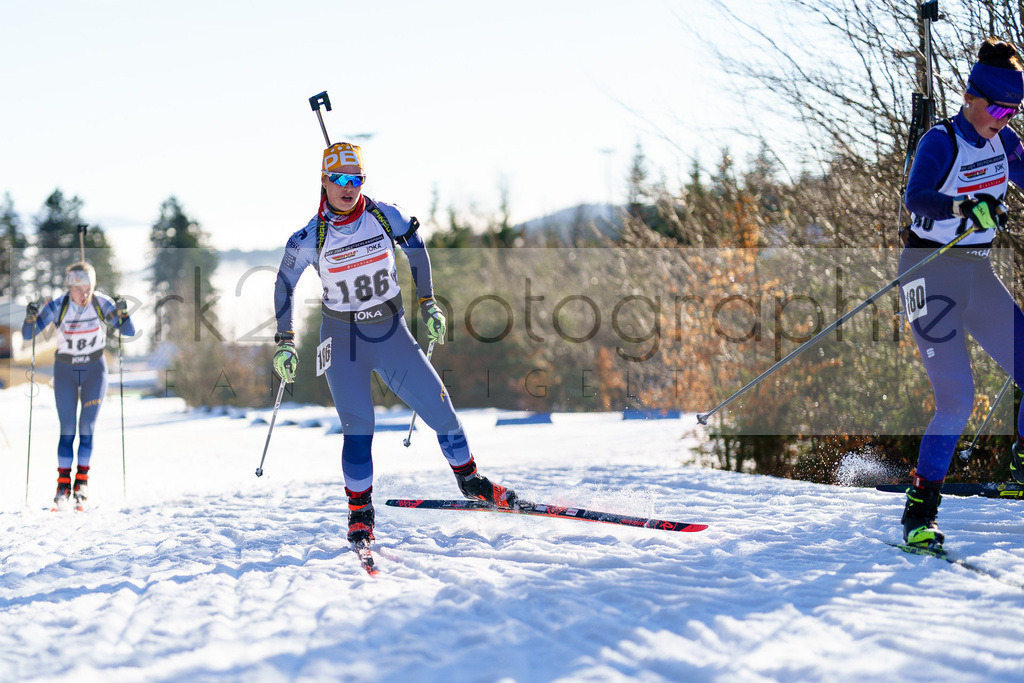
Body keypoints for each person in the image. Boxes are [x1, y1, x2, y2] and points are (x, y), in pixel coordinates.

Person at [272, 141, 518, 544]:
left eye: (356, 179)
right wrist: (285, 341)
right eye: (339, 180)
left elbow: (416, 250)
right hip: (343, 339)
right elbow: (284, 284)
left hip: (391, 333)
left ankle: (471, 481)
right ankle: (359, 514)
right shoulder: (309, 236)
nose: (348, 188)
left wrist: (430, 303)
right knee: (358, 427)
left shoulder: (384, 216)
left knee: (441, 409)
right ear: (323, 182)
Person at [899, 37, 1024, 549]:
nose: (1004, 116)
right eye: (997, 106)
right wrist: (965, 208)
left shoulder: (1006, 143)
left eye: (1013, 108)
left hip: (975, 273)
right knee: (957, 399)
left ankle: (1020, 469)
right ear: (971, 97)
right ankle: (918, 516)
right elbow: (917, 199)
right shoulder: (941, 141)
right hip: (926, 274)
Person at [22, 262, 136, 509]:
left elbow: (128, 331)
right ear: (69, 286)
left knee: (86, 427)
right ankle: (63, 484)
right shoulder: (58, 306)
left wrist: (123, 313)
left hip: (95, 371)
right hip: (65, 372)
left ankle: (81, 483)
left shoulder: (100, 302)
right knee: (67, 429)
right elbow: (28, 335)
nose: (84, 295)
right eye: (79, 289)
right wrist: (31, 316)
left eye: (88, 288)